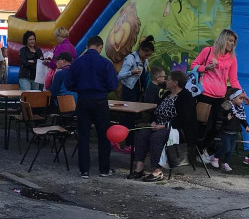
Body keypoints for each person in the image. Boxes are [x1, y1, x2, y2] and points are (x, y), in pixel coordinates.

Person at [128, 71, 197, 182]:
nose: (166, 81)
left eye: (168, 79)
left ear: (175, 83)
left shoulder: (186, 97)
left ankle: (157, 171)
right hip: (159, 125)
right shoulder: (166, 94)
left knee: (157, 137)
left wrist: (164, 126)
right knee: (143, 134)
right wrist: (154, 122)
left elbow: (185, 120)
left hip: (176, 129)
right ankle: (139, 168)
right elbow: (157, 111)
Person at [67, 35, 118, 178]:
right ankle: (104, 169)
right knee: (104, 136)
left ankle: (84, 170)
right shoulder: (106, 63)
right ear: (100, 47)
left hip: (83, 101)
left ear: (88, 46)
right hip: (101, 101)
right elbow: (113, 85)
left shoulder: (77, 63)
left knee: (83, 137)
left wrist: (80, 88)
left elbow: (68, 83)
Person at [191, 28, 245, 163]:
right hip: (205, 94)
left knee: (217, 126)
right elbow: (194, 66)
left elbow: (233, 79)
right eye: (230, 40)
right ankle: (194, 151)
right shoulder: (208, 51)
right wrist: (206, 68)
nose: (233, 44)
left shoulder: (232, 58)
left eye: (234, 42)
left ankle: (202, 149)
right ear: (223, 39)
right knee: (201, 125)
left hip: (220, 97)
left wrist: (241, 94)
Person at [215, 89, 249, 173]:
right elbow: (219, 115)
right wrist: (226, 118)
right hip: (226, 131)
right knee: (226, 148)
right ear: (233, 98)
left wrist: (246, 126)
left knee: (231, 150)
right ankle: (215, 157)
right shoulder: (227, 105)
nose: (242, 100)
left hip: (234, 132)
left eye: (242, 99)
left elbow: (242, 119)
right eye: (240, 98)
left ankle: (225, 163)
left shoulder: (240, 108)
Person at [118, 37, 155, 107]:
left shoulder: (145, 60)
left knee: (137, 113)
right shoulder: (130, 58)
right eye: (146, 55)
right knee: (128, 114)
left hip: (139, 90)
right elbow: (119, 76)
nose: (148, 57)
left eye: (150, 55)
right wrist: (131, 72)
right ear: (140, 49)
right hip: (129, 90)